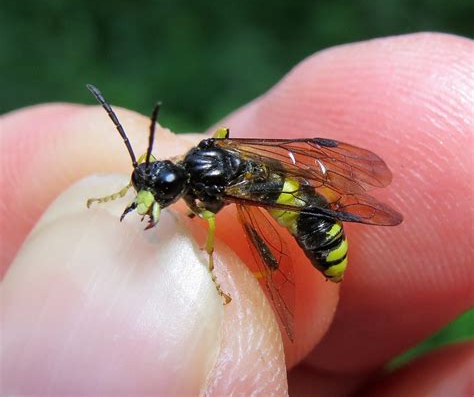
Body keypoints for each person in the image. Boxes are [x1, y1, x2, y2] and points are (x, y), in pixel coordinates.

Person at [2, 33, 472, 396]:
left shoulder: (209, 188)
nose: (156, 196)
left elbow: (208, 218)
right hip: (289, 178)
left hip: (308, 216)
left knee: (243, 244)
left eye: (158, 188)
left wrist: (207, 265)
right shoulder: (202, 156)